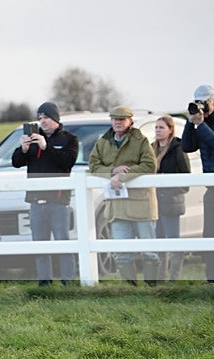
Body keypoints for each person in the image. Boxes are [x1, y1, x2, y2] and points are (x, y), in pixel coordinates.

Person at [89, 106, 159, 286]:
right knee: (121, 251)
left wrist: (122, 176)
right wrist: (113, 171)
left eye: (121, 119)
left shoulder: (141, 141)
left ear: (130, 121)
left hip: (141, 204)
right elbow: (93, 166)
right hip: (117, 204)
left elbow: (150, 165)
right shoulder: (103, 142)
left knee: (149, 250)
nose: (117, 122)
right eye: (114, 119)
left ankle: (152, 287)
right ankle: (131, 288)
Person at [11, 102, 79, 286]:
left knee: (63, 243)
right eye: (40, 118)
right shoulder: (33, 138)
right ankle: (44, 284)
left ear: (55, 118)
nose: (42, 121)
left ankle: (68, 283)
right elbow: (16, 162)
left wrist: (46, 146)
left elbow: (67, 162)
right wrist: (24, 149)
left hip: (58, 201)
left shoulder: (69, 139)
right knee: (40, 245)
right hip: (35, 201)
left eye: (46, 117)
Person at [181, 84, 214, 283]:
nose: (203, 106)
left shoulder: (205, 124)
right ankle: (211, 278)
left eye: (205, 101)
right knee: (209, 233)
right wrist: (190, 122)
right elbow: (187, 147)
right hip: (210, 187)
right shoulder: (200, 121)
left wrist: (201, 125)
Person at [153, 116, 190, 281]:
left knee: (173, 240)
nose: (157, 130)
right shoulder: (151, 149)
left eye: (161, 127)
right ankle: (160, 276)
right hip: (155, 203)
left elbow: (186, 178)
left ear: (170, 130)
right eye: (156, 127)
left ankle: (174, 277)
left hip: (172, 202)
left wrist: (169, 191)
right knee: (159, 240)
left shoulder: (178, 149)